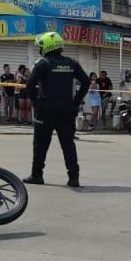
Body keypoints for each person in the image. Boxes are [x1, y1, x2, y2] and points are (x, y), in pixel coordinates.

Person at [24, 32, 89, 187]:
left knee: (40, 144)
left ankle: (37, 175)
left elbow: (29, 85)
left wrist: (36, 102)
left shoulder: (43, 63)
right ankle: (74, 178)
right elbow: (85, 82)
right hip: (67, 110)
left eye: (40, 46)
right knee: (68, 144)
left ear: (46, 46)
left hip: (46, 110)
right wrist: (75, 102)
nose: (39, 49)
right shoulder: (72, 63)